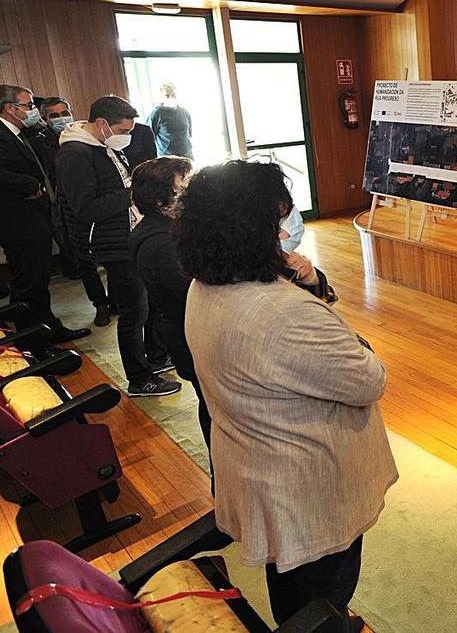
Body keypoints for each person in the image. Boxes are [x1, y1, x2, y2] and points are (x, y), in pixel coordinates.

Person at [177, 160, 394, 630]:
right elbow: (368, 378)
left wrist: (310, 283)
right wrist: (330, 315)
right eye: (276, 222)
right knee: (325, 588)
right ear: (250, 229)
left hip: (258, 466)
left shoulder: (203, 287)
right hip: (307, 483)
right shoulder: (282, 312)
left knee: (289, 572)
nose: (284, 234)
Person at [56, 95, 180, 398]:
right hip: (111, 243)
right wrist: (134, 192)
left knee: (149, 303)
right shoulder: (75, 154)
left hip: (129, 235)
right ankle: (139, 379)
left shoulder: (102, 146)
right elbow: (84, 208)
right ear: (102, 124)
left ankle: (156, 356)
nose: (127, 136)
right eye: (123, 130)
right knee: (132, 313)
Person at [0, 84, 89, 342]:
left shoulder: (14, 132)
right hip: (18, 223)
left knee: (36, 281)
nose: (33, 110)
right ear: (10, 108)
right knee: (29, 283)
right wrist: (30, 185)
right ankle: (30, 338)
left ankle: (46, 328)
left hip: (28, 220)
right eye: (29, 106)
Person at [129, 156, 209, 454]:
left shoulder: (165, 228)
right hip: (190, 334)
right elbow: (192, 291)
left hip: (188, 328)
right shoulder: (159, 240)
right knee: (216, 413)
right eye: (185, 185)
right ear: (165, 196)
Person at [32, 96, 115, 327]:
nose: (61, 119)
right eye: (54, 115)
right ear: (44, 118)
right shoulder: (40, 143)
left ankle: (115, 300)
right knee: (84, 260)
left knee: (111, 256)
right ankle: (100, 304)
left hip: (97, 200)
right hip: (67, 206)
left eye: (63, 113)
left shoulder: (87, 135)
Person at [147, 82, 193, 158]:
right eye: (167, 95)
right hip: (168, 160)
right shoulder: (156, 114)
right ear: (162, 96)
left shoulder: (184, 112)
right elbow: (149, 140)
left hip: (187, 156)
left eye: (173, 95)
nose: (171, 98)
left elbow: (189, 134)